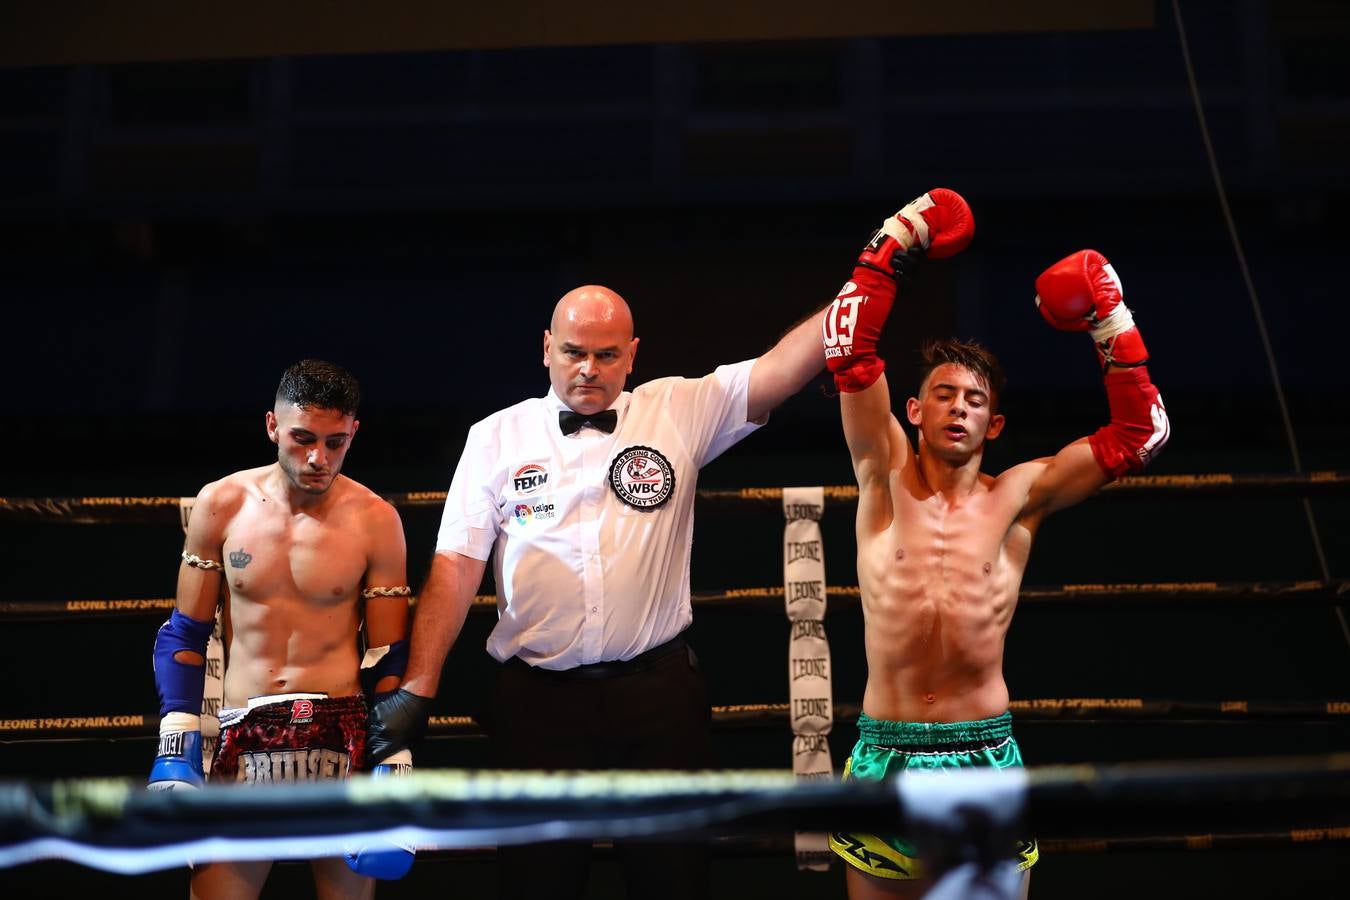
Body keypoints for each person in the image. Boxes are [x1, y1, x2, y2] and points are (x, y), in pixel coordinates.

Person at [363, 204, 953, 899]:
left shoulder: (678, 408)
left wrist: (877, 266)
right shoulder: (494, 437)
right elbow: (457, 566)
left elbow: (788, 364)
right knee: (538, 883)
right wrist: (418, 689)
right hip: (537, 701)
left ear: (633, 355)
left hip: (658, 696)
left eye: (607, 355)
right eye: (574, 352)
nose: (588, 369)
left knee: (674, 878)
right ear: (545, 347)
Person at [821, 196, 1170, 898]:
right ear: (914, 412)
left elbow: (1141, 435)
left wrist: (1110, 318)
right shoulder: (882, 478)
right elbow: (849, 354)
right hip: (884, 749)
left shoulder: (1020, 497)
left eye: (973, 400)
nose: (957, 407)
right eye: (942, 395)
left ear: (995, 422)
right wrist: (899, 237)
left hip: (980, 749)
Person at [148, 358, 416, 900]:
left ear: (353, 433)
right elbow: (185, 634)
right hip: (245, 729)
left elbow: (388, 654)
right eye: (302, 439)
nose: (318, 458)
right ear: (272, 426)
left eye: (336, 442)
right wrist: (176, 740)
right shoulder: (221, 504)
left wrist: (395, 758)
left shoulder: (375, 520)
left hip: (342, 732)